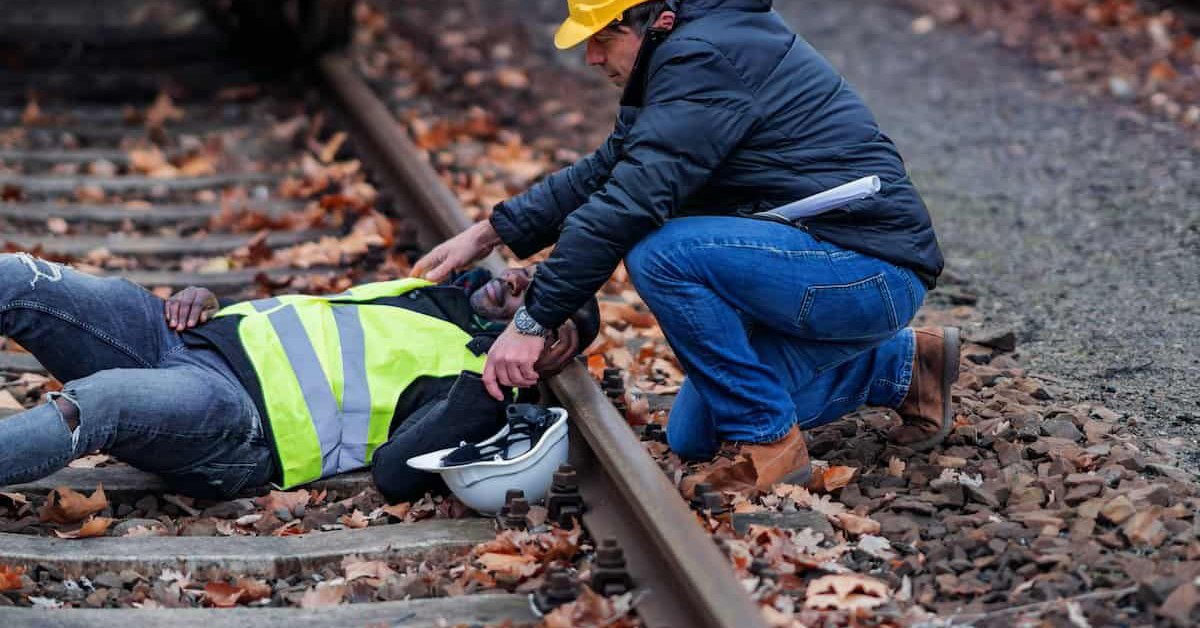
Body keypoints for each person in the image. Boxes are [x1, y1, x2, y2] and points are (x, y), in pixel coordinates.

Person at [412, 0, 957, 493]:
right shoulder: (680, 58)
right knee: (695, 433)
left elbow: (629, 202)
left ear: (656, 20)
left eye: (603, 38)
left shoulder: (704, 60)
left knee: (661, 251)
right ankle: (906, 366)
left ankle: (771, 446)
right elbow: (608, 171)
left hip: (866, 266)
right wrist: (491, 231)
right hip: (817, 258)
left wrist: (531, 323)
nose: (592, 58)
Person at [0, 253, 600, 502]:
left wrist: (493, 385)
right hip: (181, 338)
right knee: (17, 276)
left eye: (548, 321)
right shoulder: (430, 291)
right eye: (533, 276)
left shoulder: (473, 386)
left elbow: (395, 474)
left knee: (94, 405)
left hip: (236, 417)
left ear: (548, 359)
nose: (525, 292)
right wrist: (211, 298)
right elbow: (307, 327)